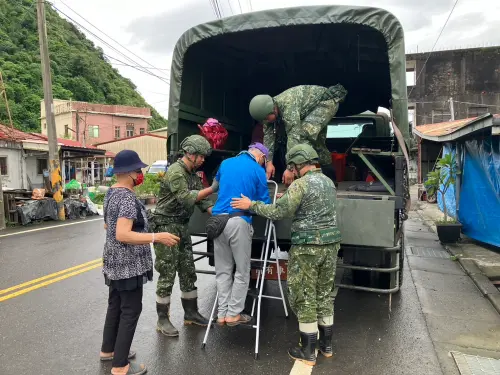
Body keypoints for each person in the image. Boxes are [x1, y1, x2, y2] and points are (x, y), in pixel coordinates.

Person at [231, 144, 341, 367]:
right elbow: (309, 203)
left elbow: (279, 211)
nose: (292, 169)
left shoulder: (300, 185)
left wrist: (251, 204)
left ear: (299, 164)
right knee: (323, 294)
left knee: (305, 296)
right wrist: (287, 196)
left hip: (308, 247)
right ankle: (326, 346)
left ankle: (308, 350)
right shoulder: (328, 182)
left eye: (293, 166)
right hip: (330, 245)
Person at [100, 150, 180, 375]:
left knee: (115, 305)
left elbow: (109, 226)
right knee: (131, 310)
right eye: (138, 170)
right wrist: (156, 236)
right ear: (126, 173)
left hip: (114, 261)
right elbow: (122, 234)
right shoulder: (126, 198)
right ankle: (120, 366)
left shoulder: (111, 193)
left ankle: (109, 350)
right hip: (128, 264)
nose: (141, 173)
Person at [151, 135, 215, 337]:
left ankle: (191, 313)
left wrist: (218, 214)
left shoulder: (193, 174)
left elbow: (202, 202)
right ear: (190, 154)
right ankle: (162, 319)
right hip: (166, 226)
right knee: (167, 272)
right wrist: (212, 188)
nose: (203, 160)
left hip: (181, 227)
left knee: (188, 269)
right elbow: (187, 199)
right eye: (201, 156)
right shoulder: (176, 172)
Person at [210, 142, 271, 326]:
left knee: (223, 271)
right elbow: (264, 204)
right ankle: (234, 314)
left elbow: (215, 186)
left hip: (217, 221)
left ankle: (221, 314)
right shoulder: (257, 170)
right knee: (242, 272)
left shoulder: (226, 163)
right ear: (261, 157)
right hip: (239, 222)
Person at [249, 84, 348, 185]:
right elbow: (268, 138)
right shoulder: (267, 112)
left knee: (304, 136)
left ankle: (305, 181)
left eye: (266, 118)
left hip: (325, 102)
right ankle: (330, 176)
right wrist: (269, 163)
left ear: (273, 110)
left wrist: (290, 168)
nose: (266, 122)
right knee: (318, 144)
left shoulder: (288, 106)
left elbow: (294, 137)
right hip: (309, 110)